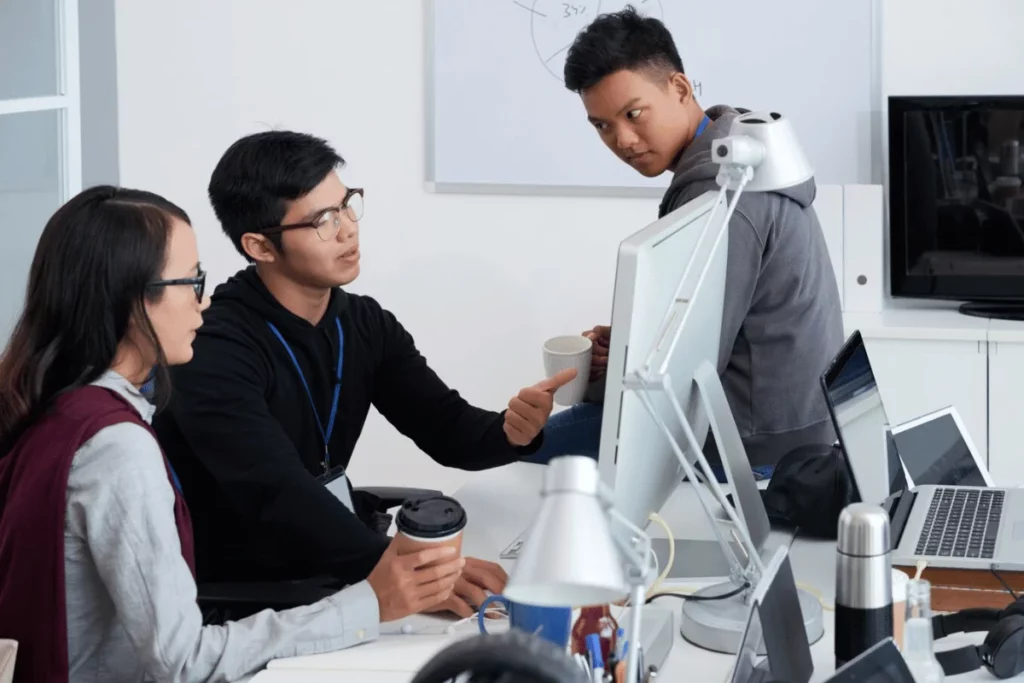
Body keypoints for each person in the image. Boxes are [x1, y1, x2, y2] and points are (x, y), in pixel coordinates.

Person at [0, 186, 466, 683]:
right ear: (132, 300)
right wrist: (370, 604)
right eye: (190, 280)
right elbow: (183, 661)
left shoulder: (56, 404)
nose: (204, 300)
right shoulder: (117, 447)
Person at [153, 131, 574, 619]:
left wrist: (511, 430)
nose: (348, 229)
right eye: (322, 221)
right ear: (260, 246)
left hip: (331, 565)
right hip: (253, 595)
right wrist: (406, 571)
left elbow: (448, 429)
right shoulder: (214, 349)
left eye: (347, 205)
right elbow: (276, 493)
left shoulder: (364, 324)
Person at [529, 7, 844, 471]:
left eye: (633, 114)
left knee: (526, 450)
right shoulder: (738, 144)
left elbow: (679, 375)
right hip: (793, 422)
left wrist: (611, 368)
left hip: (754, 444)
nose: (623, 139)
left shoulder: (722, 190)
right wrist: (626, 347)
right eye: (602, 126)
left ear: (679, 88)